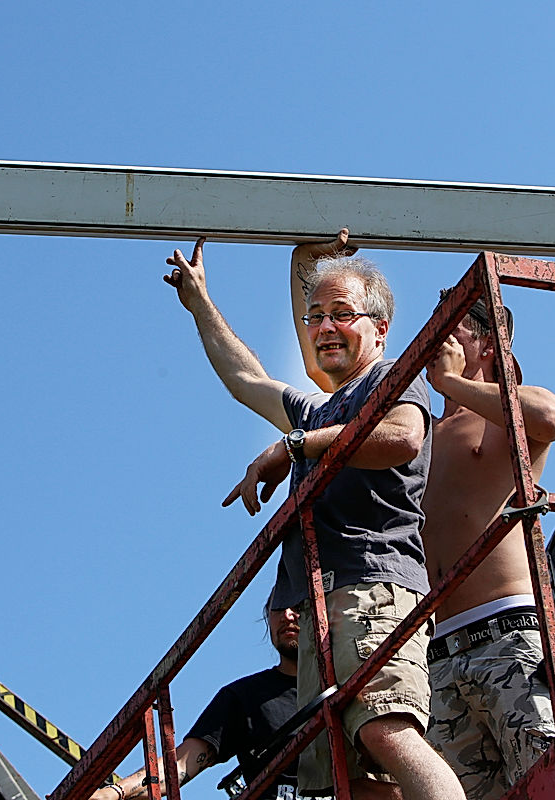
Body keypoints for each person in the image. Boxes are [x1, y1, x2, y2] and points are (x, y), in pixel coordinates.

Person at [166, 238, 465, 800]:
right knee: (349, 779)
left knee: (386, 729)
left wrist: (295, 446)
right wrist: (201, 302)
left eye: (341, 314)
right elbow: (246, 380)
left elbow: (402, 438)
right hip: (322, 606)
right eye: (315, 317)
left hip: (370, 588)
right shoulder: (322, 408)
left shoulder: (391, 379)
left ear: (379, 327)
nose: (324, 327)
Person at [290, 231, 555, 800]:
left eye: (455, 327)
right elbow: (324, 354)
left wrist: (450, 381)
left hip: (507, 635)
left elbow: (549, 416)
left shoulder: (498, 419)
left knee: (547, 780)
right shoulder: (412, 431)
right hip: (436, 650)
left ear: (490, 342)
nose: (437, 338)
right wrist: (304, 264)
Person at [90, 605, 303, 800]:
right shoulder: (244, 696)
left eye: (297, 604)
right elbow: (181, 764)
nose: (286, 615)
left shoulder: (335, 688)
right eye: (276, 608)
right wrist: (111, 794)